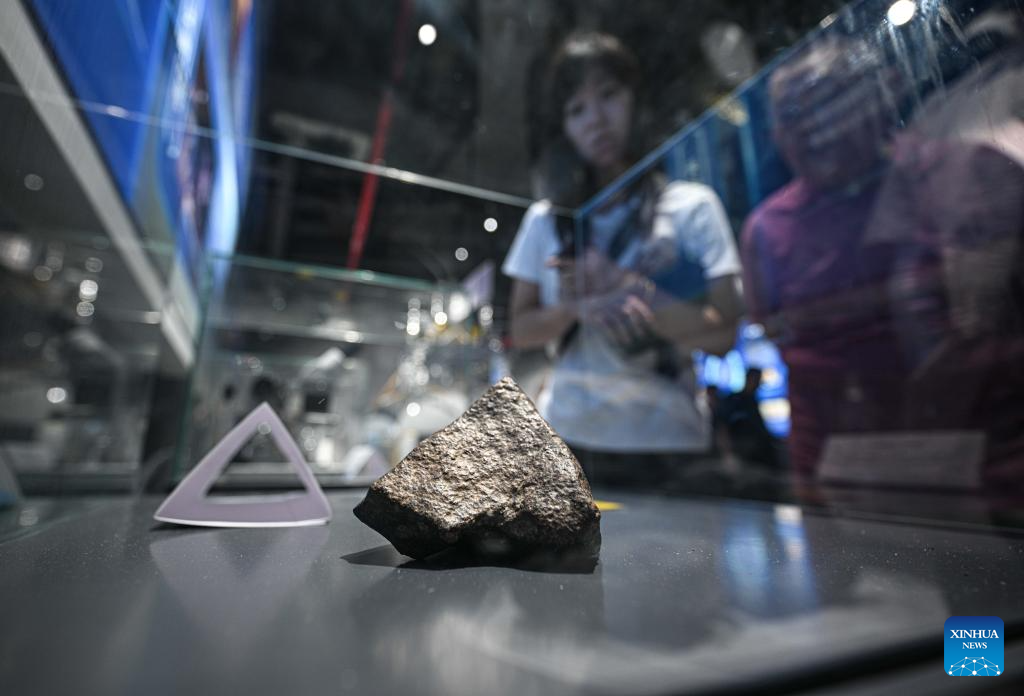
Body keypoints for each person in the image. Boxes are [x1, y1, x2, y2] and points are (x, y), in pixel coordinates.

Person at [502, 32, 744, 488]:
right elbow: (521, 328)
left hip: (671, 441)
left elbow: (724, 334)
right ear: (563, 127)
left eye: (609, 95)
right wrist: (577, 308)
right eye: (576, 109)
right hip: (571, 437)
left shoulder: (691, 205)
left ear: (636, 100)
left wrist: (628, 286)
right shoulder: (546, 220)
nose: (596, 119)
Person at [739, 37, 911, 485]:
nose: (814, 124)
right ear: (776, 134)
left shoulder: (959, 175)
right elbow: (770, 327)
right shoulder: (765, 229)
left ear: (882, 93)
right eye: (792, 113)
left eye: (830, 99)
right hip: (829, 464)